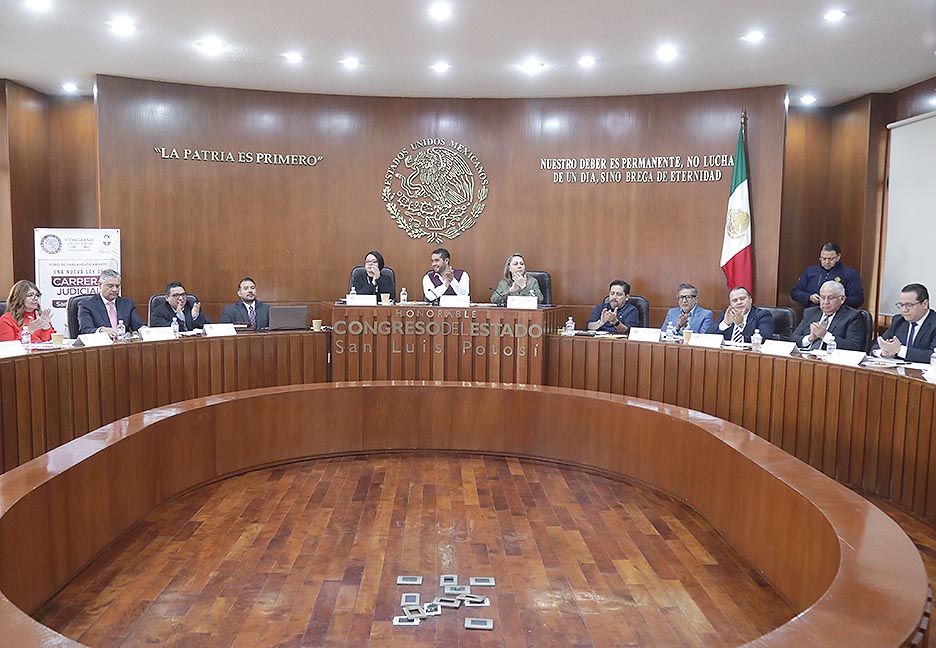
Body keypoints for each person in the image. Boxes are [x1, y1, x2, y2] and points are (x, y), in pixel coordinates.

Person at [792, 280, 867, 351]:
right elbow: (792, 339)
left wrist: (825, 336)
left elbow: (854, 346)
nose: (825, 302)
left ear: (842, 299)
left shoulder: (853, 316)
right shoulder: (810, 313)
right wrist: (809, 338)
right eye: (822, 297)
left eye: (830, 298)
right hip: (807, 357)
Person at [873, 283, 936, 363]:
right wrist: (884, 352)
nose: (904, 310)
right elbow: (876, 347)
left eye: (909, 305)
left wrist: (900, 350)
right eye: (901, 305)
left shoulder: (933, 323)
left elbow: (933, 356)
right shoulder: (899, 321)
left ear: (925, 304)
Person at [791, 242, 865, 309]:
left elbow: (858, 299)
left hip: (839, 314)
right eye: (823, 258)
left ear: (838, 257)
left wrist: (836, 300)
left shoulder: (850, 274)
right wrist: (809, 297)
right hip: (813, 312)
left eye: (830, 259)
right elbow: (795, 292)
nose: (827, 262)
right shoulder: (810, 271)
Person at [77, 269, 146, 337]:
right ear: (100, 284)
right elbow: (85, 330)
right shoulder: (87, 305)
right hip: (101, 343)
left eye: (117, 286)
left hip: (122, 342)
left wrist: (145, 330)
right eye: (110, 286)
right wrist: (101, 330)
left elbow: (138, 325)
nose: (114, 290)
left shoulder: (127, 304)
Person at [708, 286, 774, 342]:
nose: (739, 302)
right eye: (735, 300)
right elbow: (708, 336)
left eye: (742, 299)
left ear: (750, 300)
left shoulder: (763, 315)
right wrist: (725, 323)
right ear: (730, 304)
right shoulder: (727, 314)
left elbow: (764, 338)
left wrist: (741, 325)